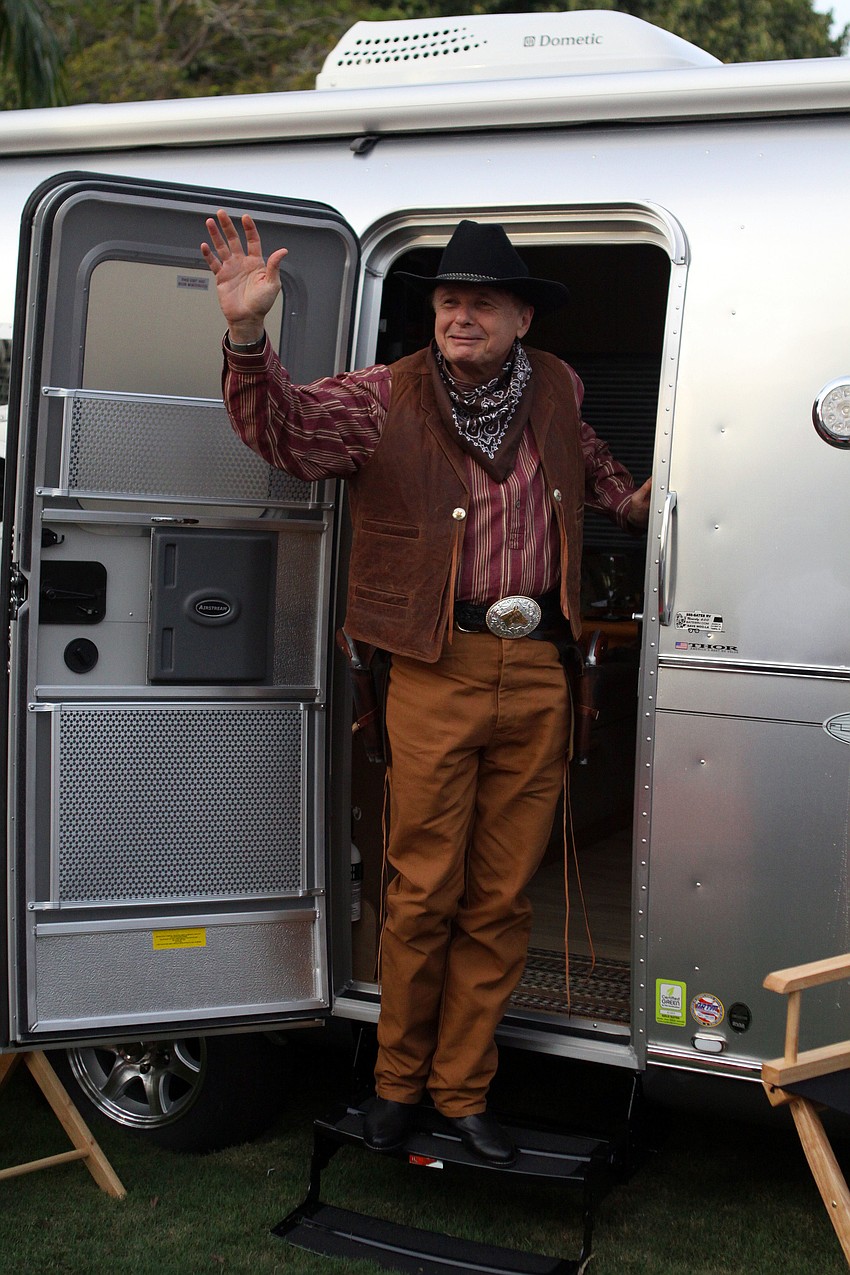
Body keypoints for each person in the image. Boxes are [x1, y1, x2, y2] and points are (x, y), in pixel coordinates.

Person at [201, 212, 651, 1166]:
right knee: (420, 891)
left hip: (538, 669)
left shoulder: (561, 390)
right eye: (449, 299)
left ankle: (464, 1094)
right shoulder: (382, 396)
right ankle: (398, 1089)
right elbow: (281, 432)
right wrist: (247, 334)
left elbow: (612, 484)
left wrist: (702, 487)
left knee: (499, 900)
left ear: (522, 318)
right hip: (431, 665)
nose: (460, 315)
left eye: (481, 302)